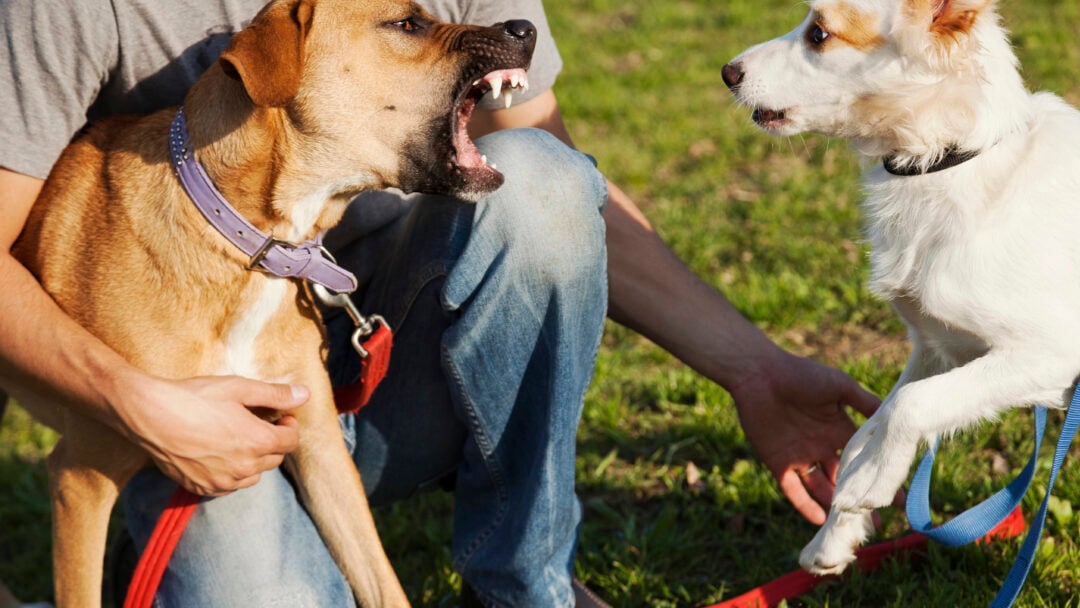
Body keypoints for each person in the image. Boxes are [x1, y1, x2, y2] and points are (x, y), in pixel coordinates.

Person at [0, 0, 880, 606]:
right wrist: (133, 402)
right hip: (170, 400)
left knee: (540, 180)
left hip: (375, 345)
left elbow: (563, 199)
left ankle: (527, 582)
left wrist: (753, 370)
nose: (456, 33)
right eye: (409, 23)